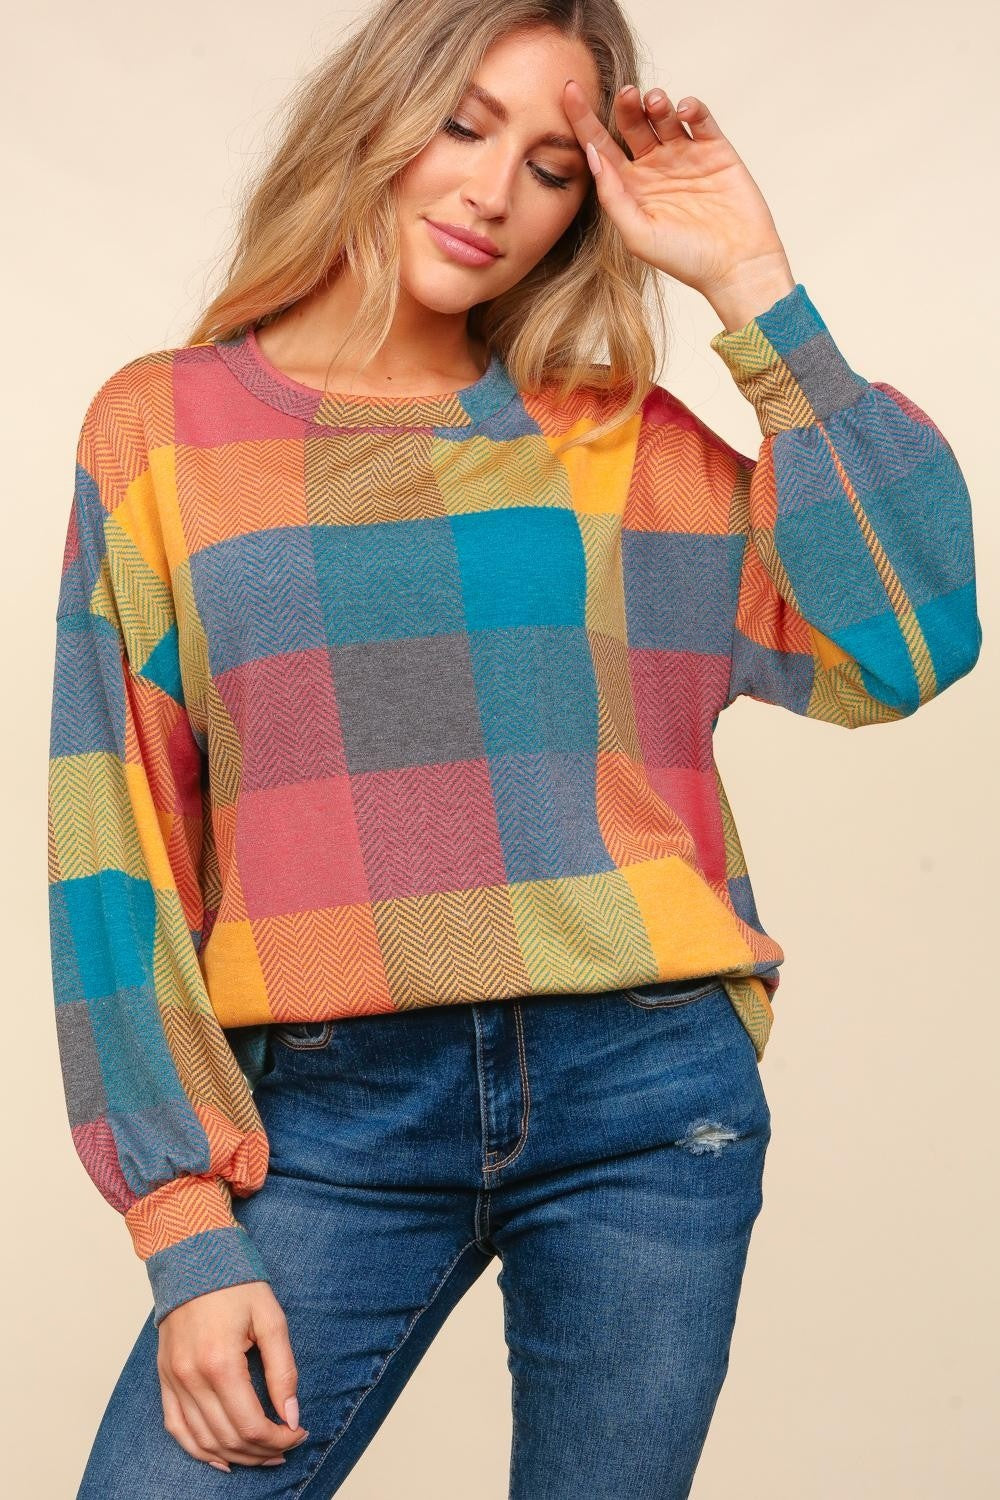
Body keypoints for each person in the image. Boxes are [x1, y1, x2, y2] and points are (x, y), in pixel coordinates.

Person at [47, 1, 982, 1495]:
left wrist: (759, 290)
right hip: (327, 1113)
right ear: (372, 115)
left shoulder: (612, 442)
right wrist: (181, 1222)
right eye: (464, 125)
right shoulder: (161, 431)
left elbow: (910, 637)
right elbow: (116, 848)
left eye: (553, 165)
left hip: (643, 1092)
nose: (492, 193)